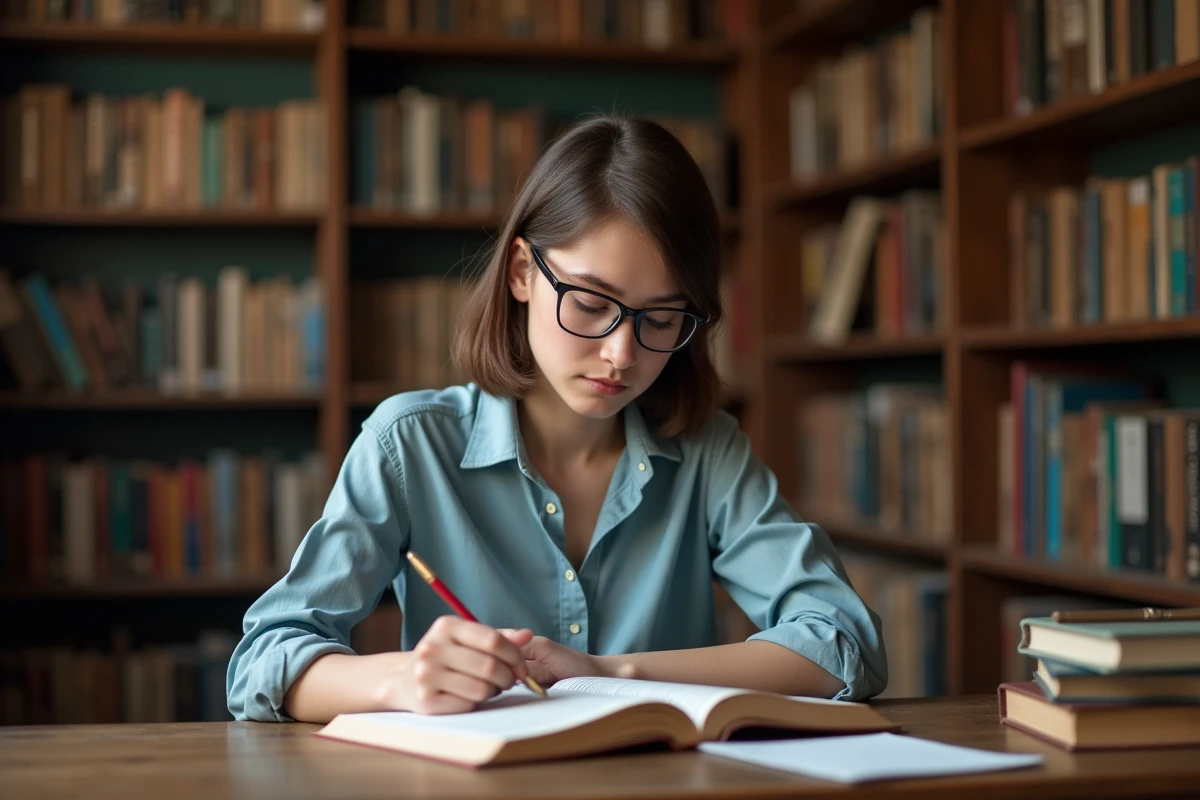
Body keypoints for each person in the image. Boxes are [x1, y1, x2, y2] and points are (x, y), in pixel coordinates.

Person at [226, 114, 887, 723]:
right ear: (521, 272)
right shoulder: (410, 444)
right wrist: (396, 680)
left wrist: (611, 675)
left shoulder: (707, 450)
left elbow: (844, 640)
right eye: (592, 304)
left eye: (661, 319)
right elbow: (263, 662)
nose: (621, 354)